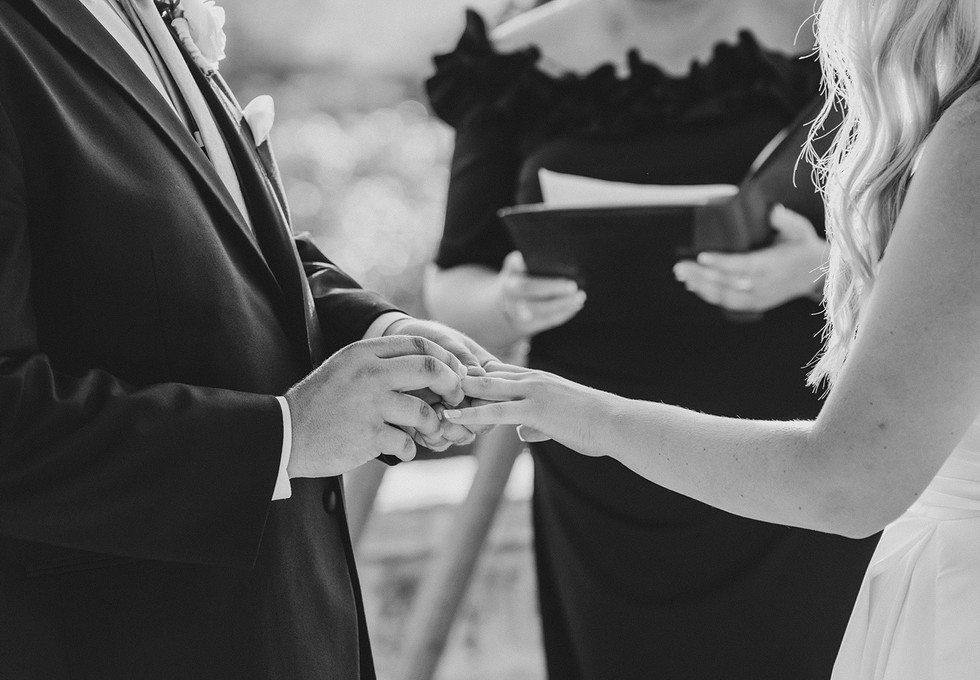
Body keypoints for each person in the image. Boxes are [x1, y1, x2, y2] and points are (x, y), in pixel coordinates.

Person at [444, 0, 980, 676]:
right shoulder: (956, 122)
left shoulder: (965, 132)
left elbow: (851, 481)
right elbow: (455, 271)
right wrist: (509, 307)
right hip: (623, 497)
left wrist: (581, 412)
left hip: (826, 476)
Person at [0, 0, 492, 677]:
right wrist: (283, 438)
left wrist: (382, 330)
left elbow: (230, 246)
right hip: (132, 643)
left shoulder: (148, 12)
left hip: (295, 629)